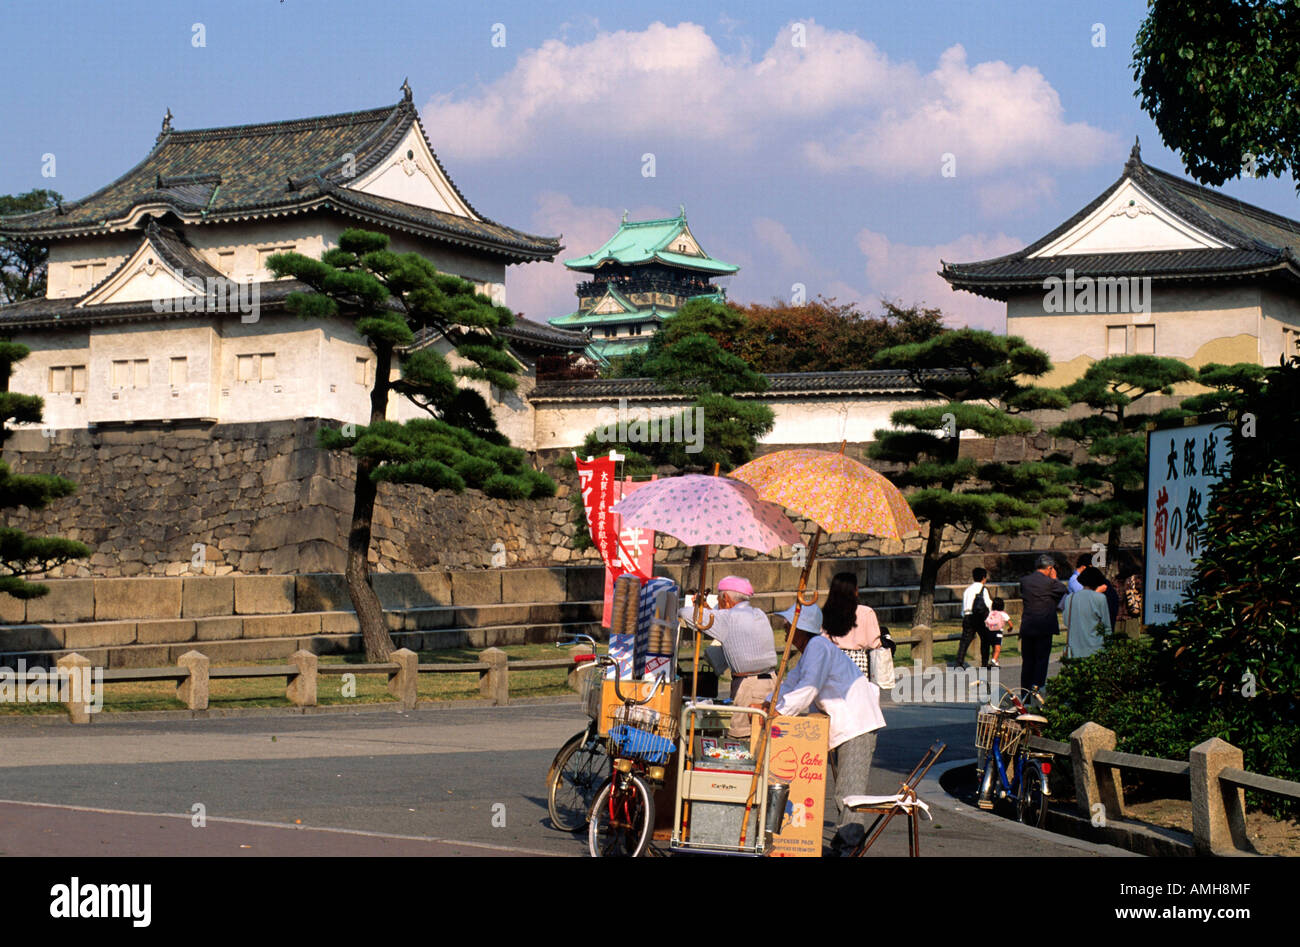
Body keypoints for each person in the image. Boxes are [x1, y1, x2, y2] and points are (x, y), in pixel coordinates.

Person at [770, 602, 886, 856]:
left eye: (789, 626)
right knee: (844, 788)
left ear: (800, 629)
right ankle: (844, 843)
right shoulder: (812, 650)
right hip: (849, 722)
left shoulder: (818, 647)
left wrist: (777, 713)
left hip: (857, 723)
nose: (786, 630)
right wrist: (769, 704)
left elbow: (808, 689)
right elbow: (791, 684)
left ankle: (850, 845)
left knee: (849, 790)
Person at [679, 575, 776, 738]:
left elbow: (686, 614)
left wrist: (693, 607)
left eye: (719, 598)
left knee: (743, 739)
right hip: (769, 680)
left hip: (751, 686)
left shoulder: (728, 619)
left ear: (725, 598)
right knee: (762, 739)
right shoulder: (758, 613)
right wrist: (710, 611)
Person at [1019, 554, 1067, 691]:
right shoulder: (1051, 583)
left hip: (1028, 626)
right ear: (1050, 568)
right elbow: (1063, 590)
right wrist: (1054, 578)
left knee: (1027, 661)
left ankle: (1025, 693)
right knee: (1041, 661)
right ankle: (1037, 690)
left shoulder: (1025, 581)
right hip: (1044, 626)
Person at [1063, 566, 1113, 660]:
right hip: (1096, 648)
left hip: (1074, 650)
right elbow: (1106, 626)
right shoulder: (1100, 598)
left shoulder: (1070, 597)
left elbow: (1066, 621)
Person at [955, 567, 992, 669]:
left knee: (965, 640)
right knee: (985, 640)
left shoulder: (968, 590)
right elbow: (989, 604)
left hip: (967, 616)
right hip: (980, 617)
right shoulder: (983, 589)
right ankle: (984, 663)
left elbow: (964, 605)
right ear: (984, 578)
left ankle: (959, 662)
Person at [983, 596, 1013, 668]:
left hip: (989, 632)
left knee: (993, 648)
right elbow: (1010, 624)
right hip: (998, 633)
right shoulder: (1003, 614)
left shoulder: (991, 613)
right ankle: (993, 660)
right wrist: (1010, 628)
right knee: (997, 648)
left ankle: (995, 661)